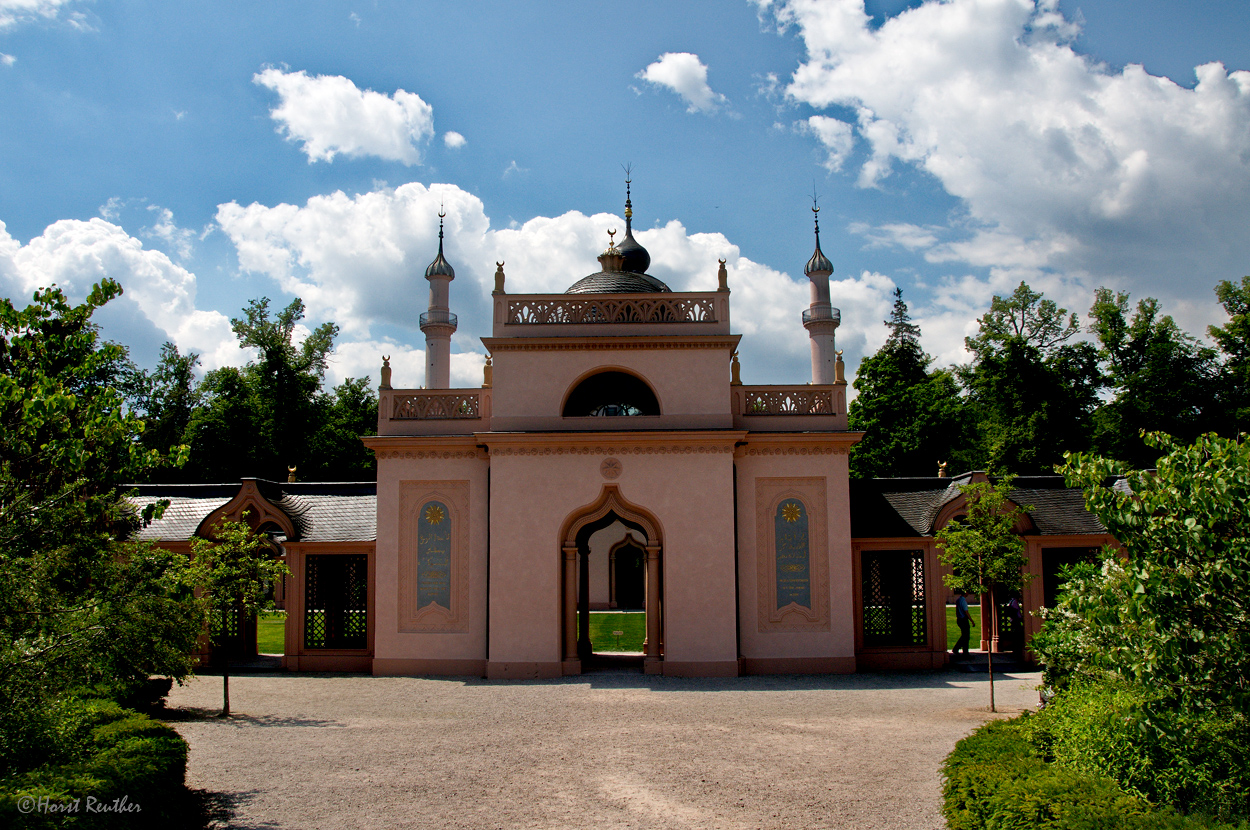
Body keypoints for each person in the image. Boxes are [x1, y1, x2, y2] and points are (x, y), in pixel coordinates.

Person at [953, 590, 971, 656]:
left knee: (964, 636)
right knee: (966, 636)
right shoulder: (963, 601)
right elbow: (966, 612)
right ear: (965, 593)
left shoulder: (958, 600)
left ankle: (964, 651)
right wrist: (971, 620)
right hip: (963, 620)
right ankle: (959, 649)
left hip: (959, 619)